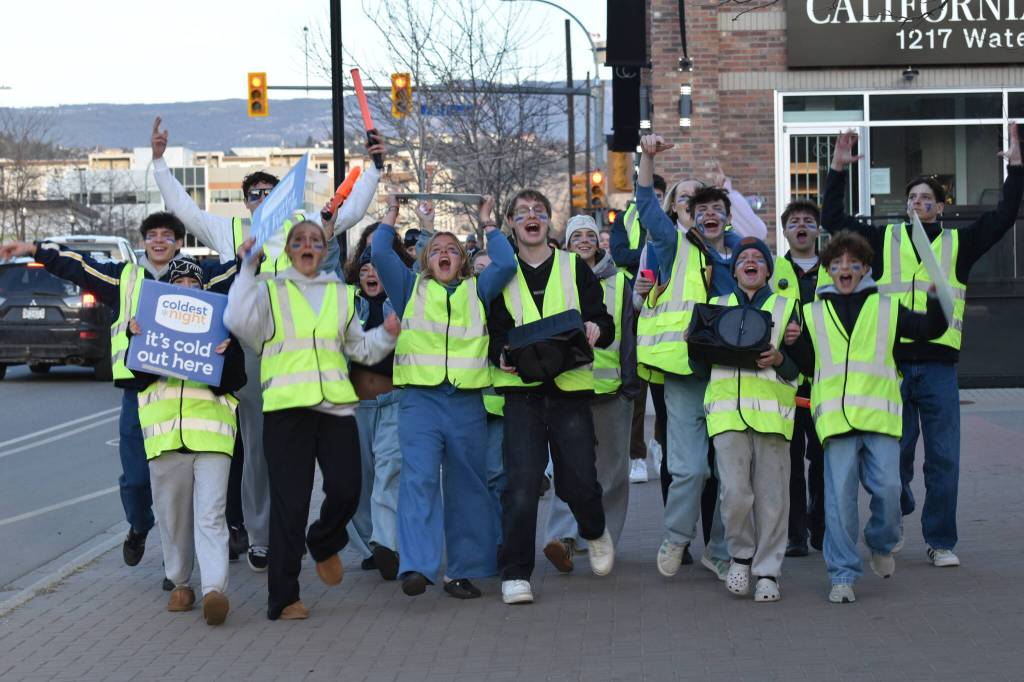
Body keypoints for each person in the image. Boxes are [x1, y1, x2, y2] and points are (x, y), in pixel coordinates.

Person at [151, 116, 383, 573]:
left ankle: (321, 533)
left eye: (268, 192)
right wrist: (159, 162)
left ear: (283, 196)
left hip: (308, 354)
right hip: (257, 351)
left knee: (326, 449)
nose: (261, 198)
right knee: (258, 448)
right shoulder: (234, 232)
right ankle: (262, 537)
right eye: (254, 194)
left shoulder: (307, 226)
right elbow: (185, 211)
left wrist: (374, 168)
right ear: (246, 202)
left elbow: (353, 210)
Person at [822, 126, 1023, 567]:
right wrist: (836, 169)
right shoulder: (883, 240)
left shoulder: (959, 243)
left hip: (939, 365)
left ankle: (940, 540)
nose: (917, 203)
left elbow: (1004, 216)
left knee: (944, 459)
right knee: (895, 457)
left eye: (926, 198)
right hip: (891, 365)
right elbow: (833, 218)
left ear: (940, 206)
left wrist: (1016, 169)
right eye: (912, 197)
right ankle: (896, 511)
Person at [0, 212, 225, 575]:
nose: (159, 240)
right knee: (136, 481)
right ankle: (139, 525)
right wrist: (33, 249)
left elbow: (239, 274)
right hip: (139, 393)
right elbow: (78, 266)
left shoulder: (198, 277)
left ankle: (176, 572)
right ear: (143, 241)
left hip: (186, 397)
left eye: (167, 235)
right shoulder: (125, 277)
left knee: (180, 490)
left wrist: (253, 256)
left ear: (179, 242)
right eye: (152, 234)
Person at [225, 221, 400, 621]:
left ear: (323, 251)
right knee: (291, 504)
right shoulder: (269, 290)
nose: (308, 245)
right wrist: (247, 267)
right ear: (288, 251)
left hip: (334, 406)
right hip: (287, 408)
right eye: (299, 241)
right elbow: (237, 319)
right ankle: (284, 597)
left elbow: (359, 349)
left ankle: (322, 541)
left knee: (348, 489)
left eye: (315, 241)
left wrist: (386, 335)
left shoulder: (340, 293)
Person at [370, 195, 516, 599]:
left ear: (463, 261)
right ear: (426, 261)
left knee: (467, 485)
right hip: (420, 402)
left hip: (466, 403)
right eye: (436, 250)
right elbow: (380, 252)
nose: (445, 253)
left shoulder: (477, 290)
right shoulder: (409, 288)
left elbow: (506, 264)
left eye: (452, 249)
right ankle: (417, 566)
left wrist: (488, 222)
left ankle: (461, 571)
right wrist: (391, 213)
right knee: (418, 480)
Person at [790, 231, 947, 603]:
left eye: (853, 263)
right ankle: (842, 575)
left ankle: (881, 541)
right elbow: (808, 366)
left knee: (890, 490)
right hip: (835, 422)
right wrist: (792, 344)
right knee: (839, 505)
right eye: (837, 263)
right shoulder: (811, 313)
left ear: (864, 269)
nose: (845, 268)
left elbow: (930, 330)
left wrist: (936, 299)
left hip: (880, 420)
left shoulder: (888, 308)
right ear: (828, 270)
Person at [488, 189, 617, 605]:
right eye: (522, 212)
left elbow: (604, 321)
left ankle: (594, 530)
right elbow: (491, 331)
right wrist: (499, 353)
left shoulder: (572, 267)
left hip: (570, 391)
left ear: (548, 222)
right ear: (512, 224)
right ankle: (515, 573)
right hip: (521, 393)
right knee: (521, 485)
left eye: (539, 212)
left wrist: (597, 329)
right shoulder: (501, 272)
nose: (531, 217)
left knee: (578, 482)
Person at [634, 134, 733, 583]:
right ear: (686, 215)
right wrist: (648, 157)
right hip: (684, 373)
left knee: (731, 474)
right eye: (697, 207)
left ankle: (721, 550)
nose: (707, 214)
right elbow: (647, 208)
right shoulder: (674, 247)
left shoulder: (745, 255)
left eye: (716, 208)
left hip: (732, 377)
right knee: (690, 468)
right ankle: (677, 536)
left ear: (727, 217)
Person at [129, 256, 245, 625]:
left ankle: (214, 590)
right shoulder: (148, 323)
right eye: (178, 285)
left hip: (212, 438)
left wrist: (225, 354)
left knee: (211, 516)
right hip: (164, 439)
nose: (187, 291)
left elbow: (235, 382)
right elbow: (137, 379)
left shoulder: (221, 326)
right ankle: (180, 584)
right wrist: (135, 339)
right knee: (172, 518)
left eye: (194, 286)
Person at [704, 238, 802, 602]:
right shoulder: (715, 307)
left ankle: (768, 572)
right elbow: (699, 365)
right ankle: (741, 557)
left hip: (773, 417)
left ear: (767, 270)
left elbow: (801, 368)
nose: (750, 261)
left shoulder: (788, 307)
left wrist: (780, 359)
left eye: (758, 258)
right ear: (734, 271)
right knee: (734, 494)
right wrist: (694, 342)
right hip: (726, 416)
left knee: (772, 499)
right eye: (743, 258)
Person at [543, 214, 641, 572]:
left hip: (611, 389)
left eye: (589, 235)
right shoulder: (554, 276)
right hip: (569, 387)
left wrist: (630, 385)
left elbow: (629, 334)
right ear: (567, 243)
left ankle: (603, 540)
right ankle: (564, 539)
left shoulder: (621, 282)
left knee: (612, 473)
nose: (584, 240)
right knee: (569, 469)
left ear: (599, 242)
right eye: (576, 236)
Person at [343, 224, 412, 581]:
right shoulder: (345, 303)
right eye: (365, 268)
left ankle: (388, 544)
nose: (372, 273)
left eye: (378, 267)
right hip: (354, 408)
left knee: (389, 474)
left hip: (393, 404)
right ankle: (372, 546)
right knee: (359, 482)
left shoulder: (402, 301)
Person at [771, 200, 831, 556]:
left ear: (818, 229)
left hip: (825, 380)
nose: (802, 226)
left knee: (823, 461)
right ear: (785, 231)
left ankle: (820, 528)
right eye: (794, 222)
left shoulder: (834, 268)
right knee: (789, 462)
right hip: (785, 381)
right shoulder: (773, 270)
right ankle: (795, 534)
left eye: (808, 221)